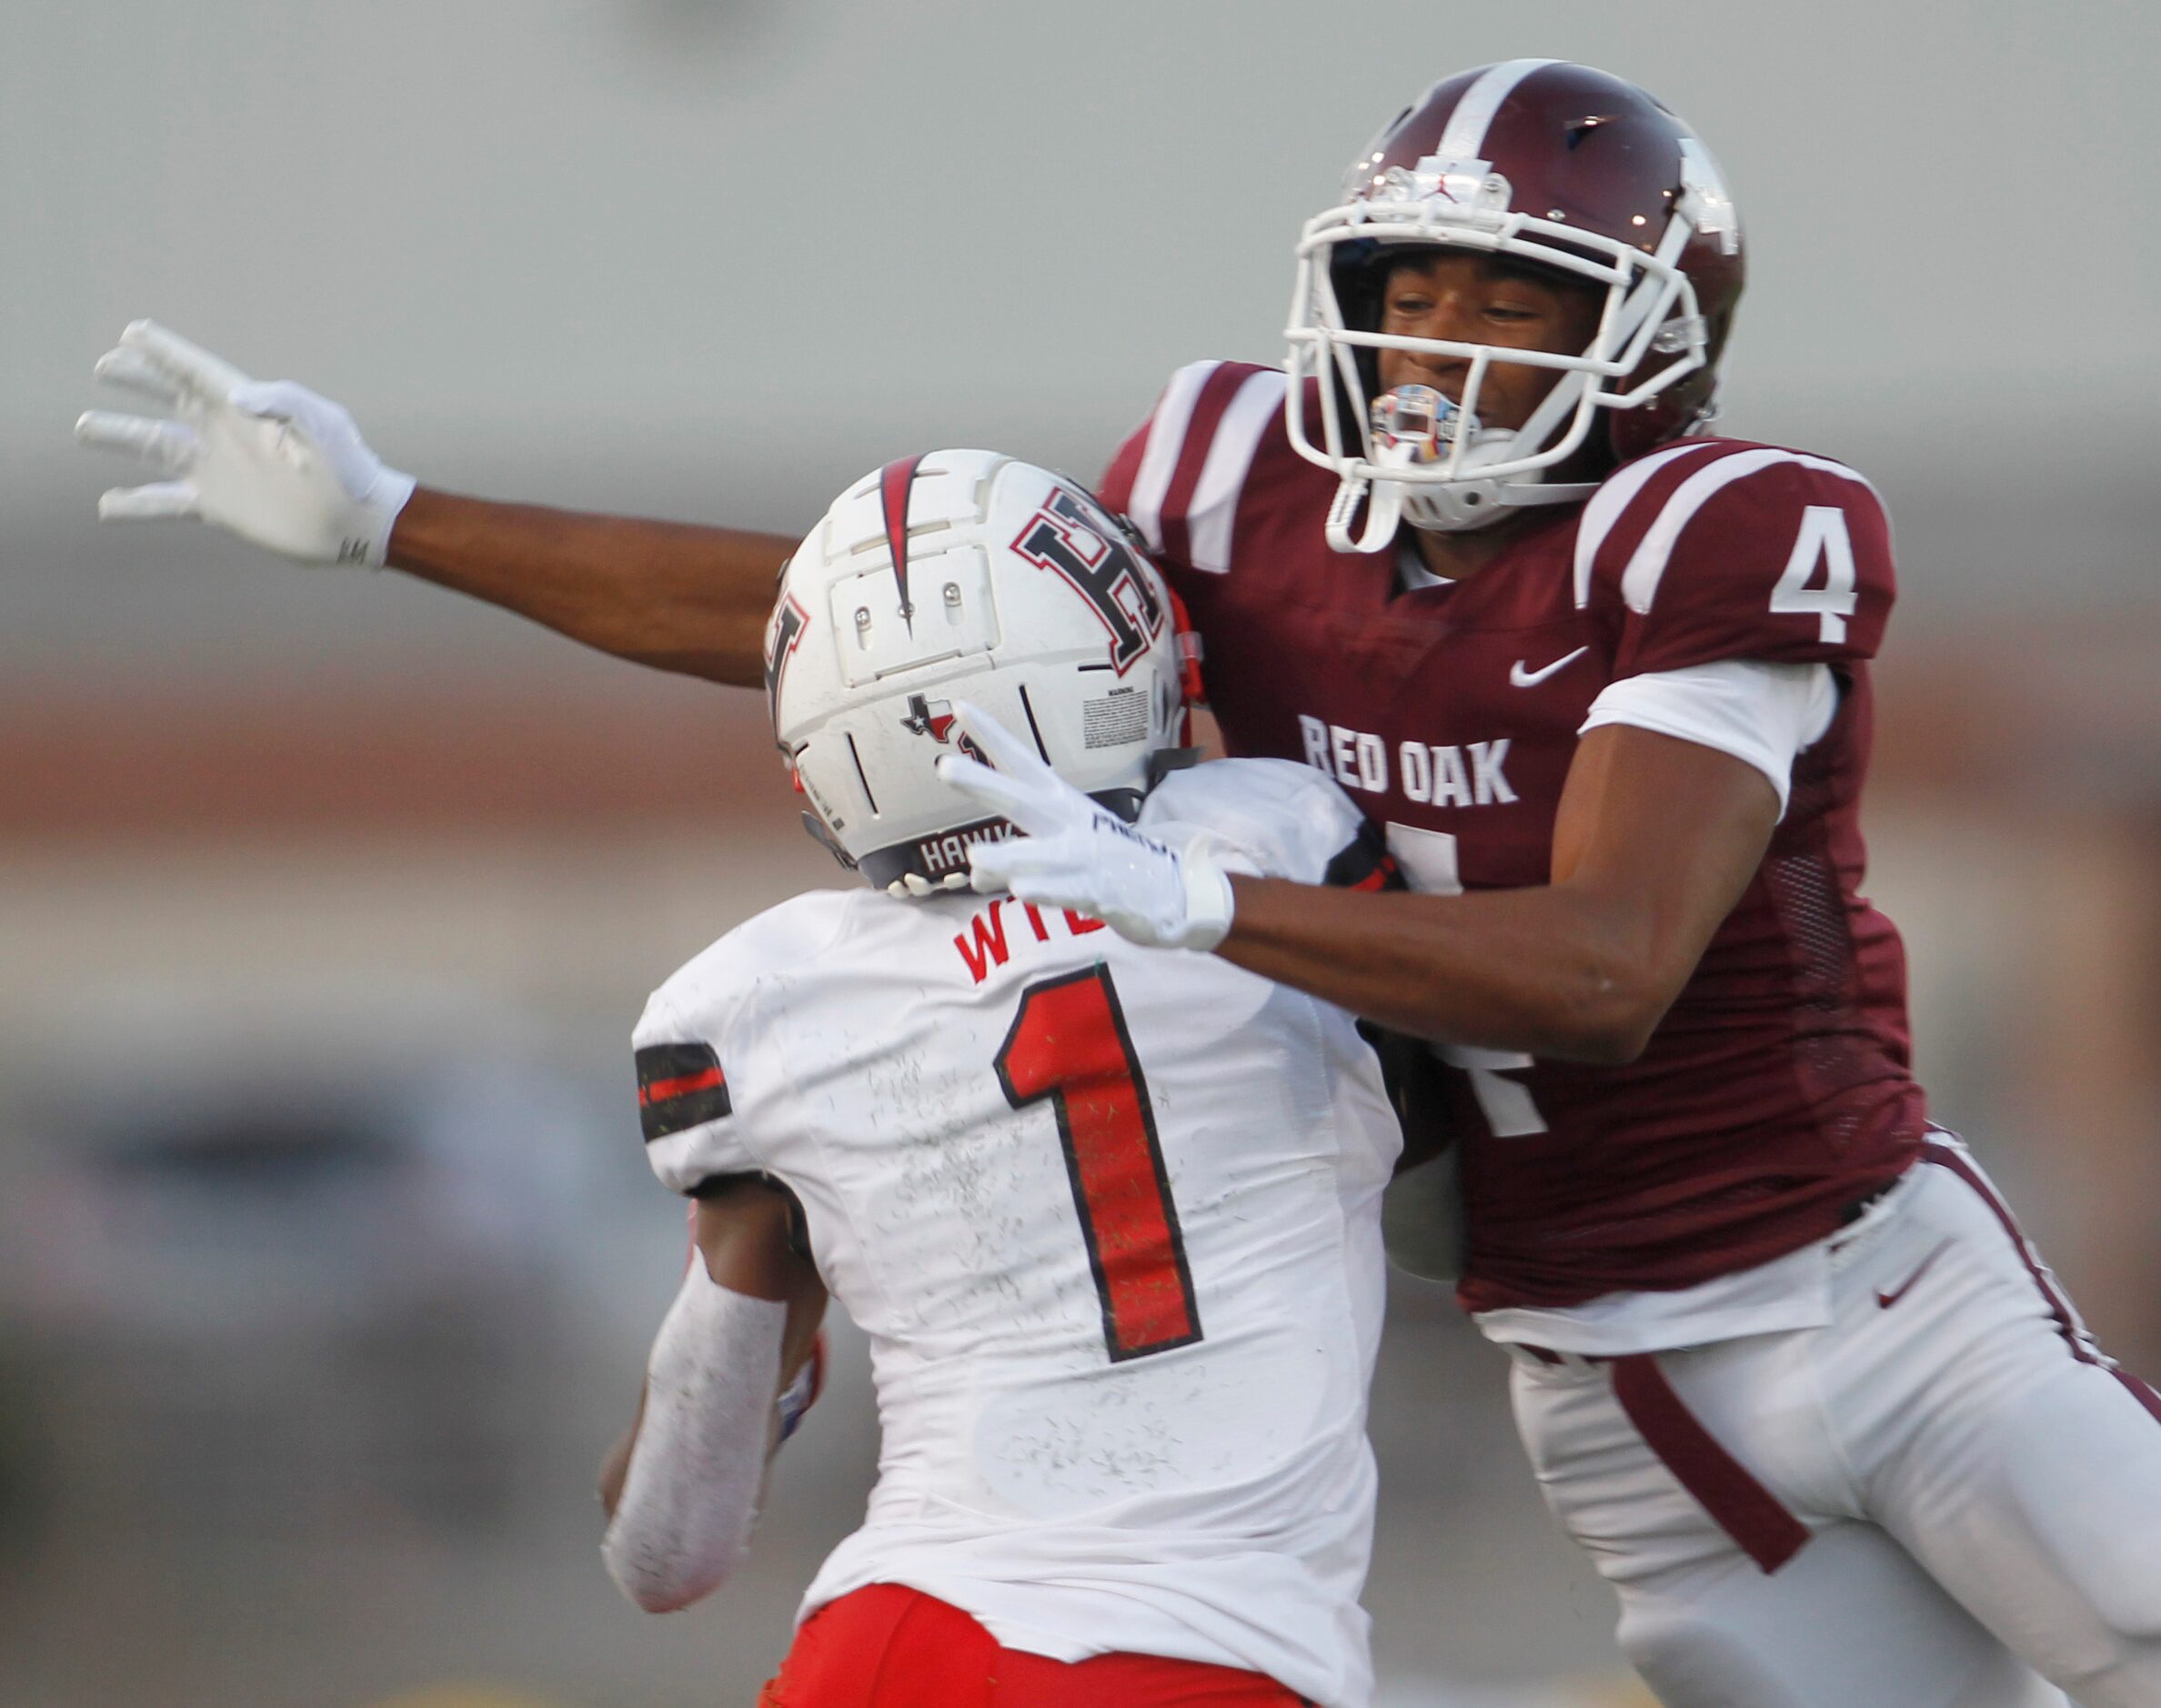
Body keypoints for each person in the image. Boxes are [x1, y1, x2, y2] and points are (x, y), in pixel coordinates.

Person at [75, 58, 2161, 1708]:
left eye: (1509, 296)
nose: (1437, 342)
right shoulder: (1242, 490)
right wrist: (390, 516)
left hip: (1871, 1285)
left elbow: (1608, 967)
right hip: (1599, 1368)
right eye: (1404, 287)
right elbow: (874, 621)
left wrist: (1198, 908)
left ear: (1653, 333)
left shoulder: (1703, 537)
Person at [591, 448, 1403, 1707]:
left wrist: (782, 1305)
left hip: (881, 1650)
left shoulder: (766, 1002)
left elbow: (664, 1546)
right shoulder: (1274, 847)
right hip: (1199, 1656)